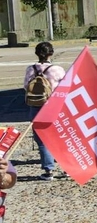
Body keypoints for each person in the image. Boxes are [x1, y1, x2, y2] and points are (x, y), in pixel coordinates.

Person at [22, 42, 67, 180]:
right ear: (51, 53)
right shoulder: (58, 69)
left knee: (42, 140)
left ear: (36, 53)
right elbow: (66, 87)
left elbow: (25, 87)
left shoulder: (31, 69)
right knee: (61, 138)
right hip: (55, 107)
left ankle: (48, 171)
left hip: (36, 107)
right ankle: (67, 168)